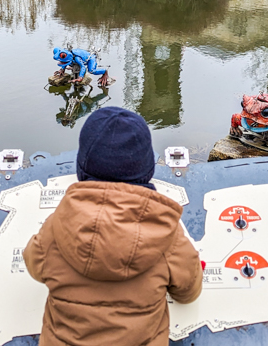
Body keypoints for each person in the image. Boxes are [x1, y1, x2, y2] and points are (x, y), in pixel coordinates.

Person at [23, 107, 203, 346]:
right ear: (147, 170)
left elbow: (34, 265)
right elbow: (188, 293)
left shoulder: (57, 225)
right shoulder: (167, 235)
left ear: (82, 169)